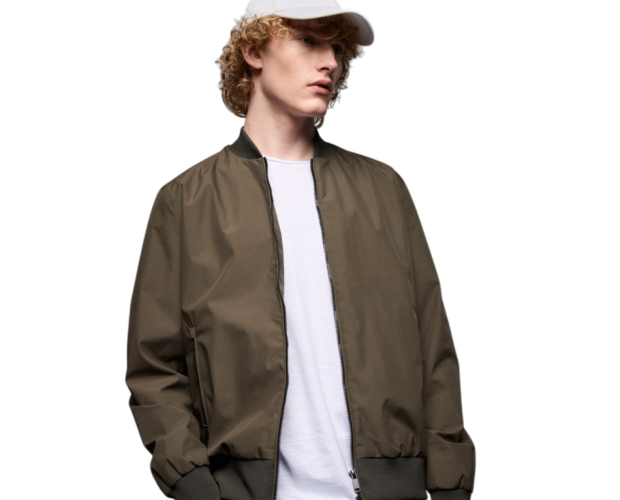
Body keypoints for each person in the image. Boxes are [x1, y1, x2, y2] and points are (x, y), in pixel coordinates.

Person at [126, 0, 476, 499]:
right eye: (308, 40)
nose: (329, 61)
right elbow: (154, 367)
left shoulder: (383, 189)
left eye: (337, 47)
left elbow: (434, 353)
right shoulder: (186, 202)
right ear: (253, 52)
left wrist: (449, 485)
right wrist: (192, 483)